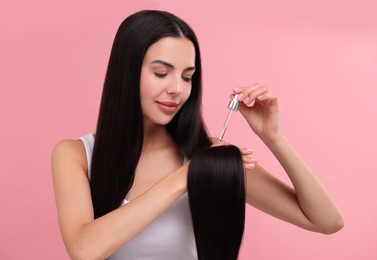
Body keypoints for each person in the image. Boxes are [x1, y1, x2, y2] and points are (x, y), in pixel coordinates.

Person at [51, 10, 344, 260]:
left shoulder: (211, 156)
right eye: (161, 73)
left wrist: (273, 137)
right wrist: (184, 177)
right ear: (127, 73)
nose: (177, 89)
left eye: (187, 76)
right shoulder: (75, 154)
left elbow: (327, 221)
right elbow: (84, 249)